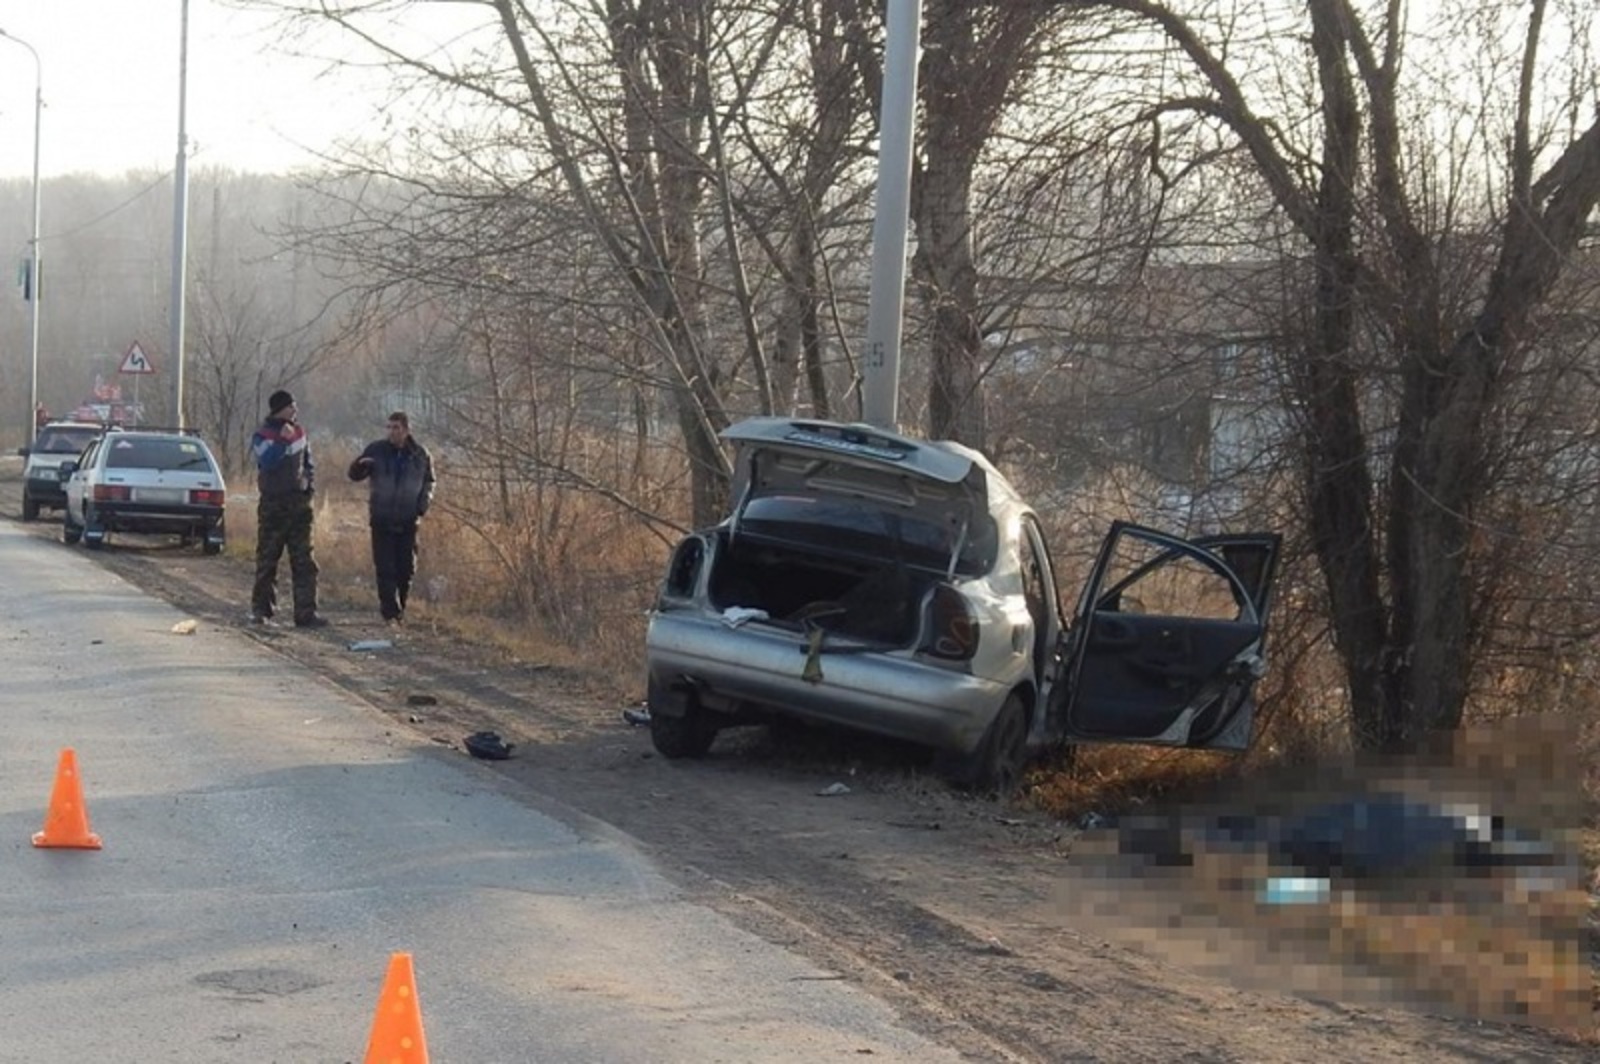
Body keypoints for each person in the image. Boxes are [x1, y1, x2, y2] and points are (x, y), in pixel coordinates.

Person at [348, 411, 436, 624]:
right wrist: (359, 466)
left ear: (406, 430)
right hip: (382, 517)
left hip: (408, 519)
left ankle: (400, 609)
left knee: (406, 568)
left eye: (396, 428)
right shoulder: (376, 450)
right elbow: (354, 475)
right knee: (385, 567)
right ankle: (390, 612)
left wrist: (422, 505)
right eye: (389, 427)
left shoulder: (420, 454)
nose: (392, 432)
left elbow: (429, 481)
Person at [250, 389, 326, 628]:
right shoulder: (262, 436)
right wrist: (282, 440)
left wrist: (309, 484)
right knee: (268, 560)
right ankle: (262, 611)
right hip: (274, 505)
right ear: (280, 409)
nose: (296, 410)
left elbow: (308, 462)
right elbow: (267, 462)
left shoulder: (300, 432)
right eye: (292, 406)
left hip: (300, 506)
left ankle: (306, 613)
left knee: (305, 561)